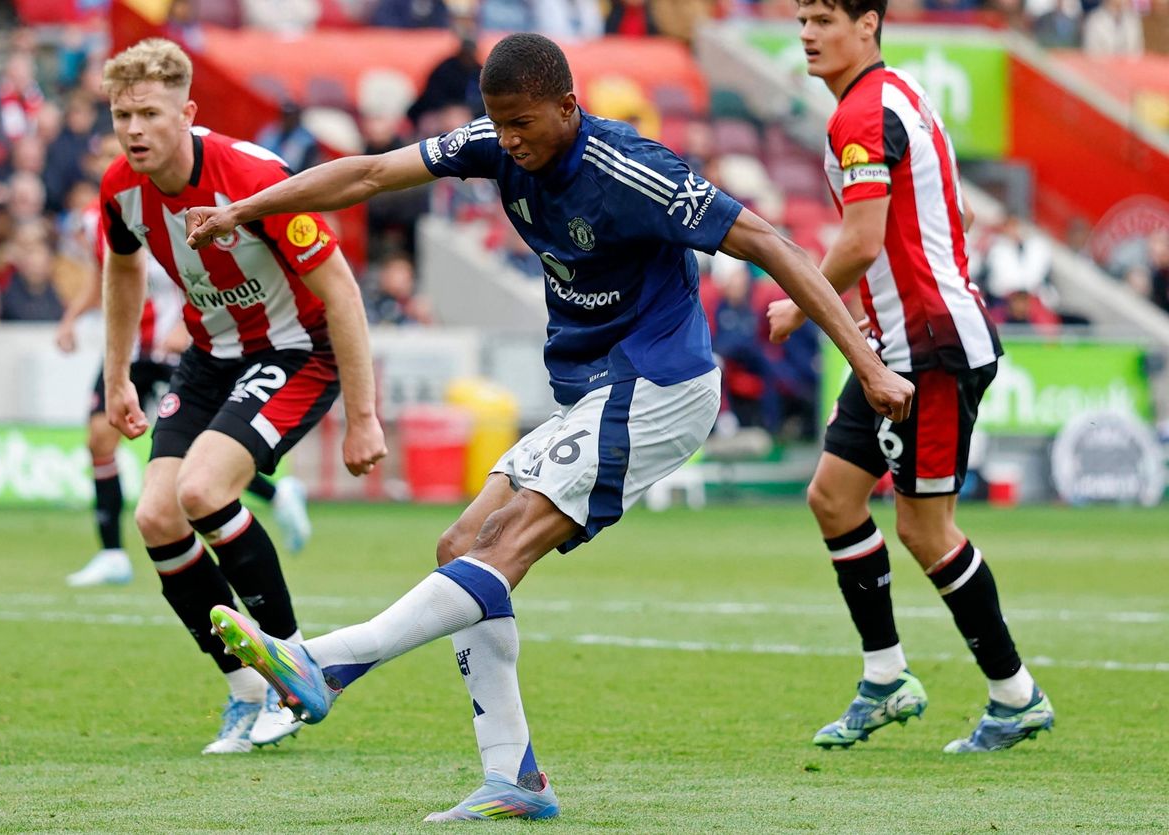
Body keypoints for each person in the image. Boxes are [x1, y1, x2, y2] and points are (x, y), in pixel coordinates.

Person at [184, 32, 912, 821]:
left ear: (568, 106)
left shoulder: (630, 170)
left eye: (524, 124)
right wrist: (249, 209)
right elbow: (369, 172)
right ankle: (514, 777)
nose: (510, 142)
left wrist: (867, 367)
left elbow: (770, 242)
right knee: (462, 546)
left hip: (659, 383)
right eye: (498, 124)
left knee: (503, 545)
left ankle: (323, 665)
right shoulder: (497, 144)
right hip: (597, 389)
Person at [766, 0, 1054, 754]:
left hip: (926, 350)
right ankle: (886, 679)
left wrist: (800, 306)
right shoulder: (898, 95)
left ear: (869, 24)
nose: (807, 33)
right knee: (833, 496)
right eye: (801, 18)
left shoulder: (863, 113)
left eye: (825, 17)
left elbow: (861, 241)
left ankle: (1014, 694)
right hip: (897, 342)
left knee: (926, 528)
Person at [96, 39, 387, 755]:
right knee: (158, 515)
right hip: (210, 358)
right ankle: (246, 691)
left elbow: (342, 290)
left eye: (150, 114)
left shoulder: (257, 179)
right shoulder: (120, 190)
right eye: (121, 114)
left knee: (200, 490)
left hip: (296, 352)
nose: (134, 130)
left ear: (187, 111)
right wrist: (117, 374)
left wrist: (363, 415)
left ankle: (294, 669)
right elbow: (124, 270)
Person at [55, 218, 317, 588]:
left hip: (176, 347)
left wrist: (187, 323)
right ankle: (112, 554)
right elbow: (103, 275)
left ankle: (277, 495)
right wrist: (70, 319)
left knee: (197, 448)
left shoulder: (170, 209)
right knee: (99, 438)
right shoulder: (97, 218)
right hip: (126, 350)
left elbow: (211, 270)